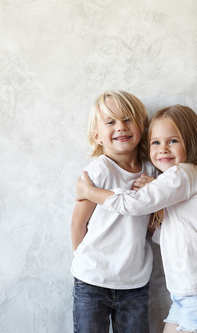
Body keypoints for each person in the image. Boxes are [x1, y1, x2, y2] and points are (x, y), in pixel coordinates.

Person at [75, 105, 197, 333]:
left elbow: (134, 203)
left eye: (173, 141)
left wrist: (90, 192)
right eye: (155, 143)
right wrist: (156, 204)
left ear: (192, 142)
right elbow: (166, 236)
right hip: (190, 295)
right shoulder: (190, 178)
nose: (163, 150)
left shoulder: (183, 174)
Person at [70, 90, 155, 333]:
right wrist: (84, 259)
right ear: (98, 136)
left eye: (128, 119)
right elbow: (78, 223)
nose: (121, 127)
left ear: (141, 126)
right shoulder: (98, 172)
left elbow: (152, 226)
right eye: (111, 122)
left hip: (134, 282)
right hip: (92, 281)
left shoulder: (151, 172)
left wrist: (152, 194)